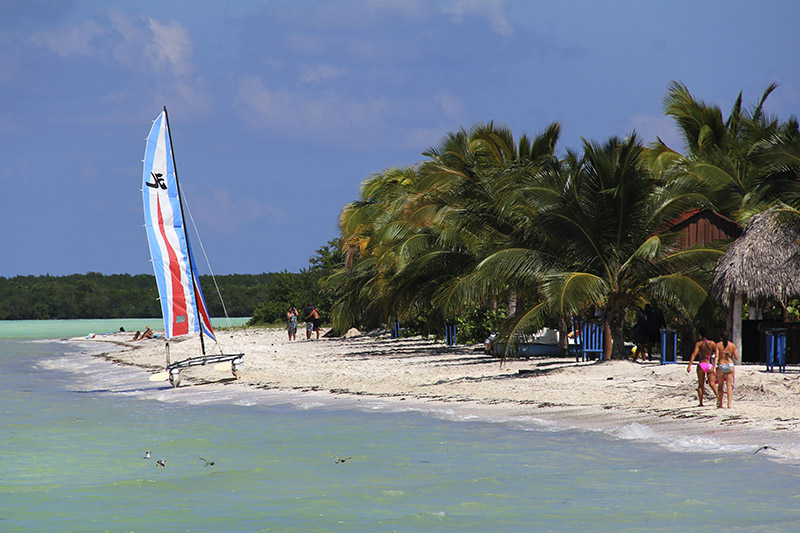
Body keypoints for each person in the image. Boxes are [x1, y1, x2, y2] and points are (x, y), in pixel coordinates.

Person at [686, 327, 717, 406]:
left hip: (701, 364)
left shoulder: (698, 344)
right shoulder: (712, 343)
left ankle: (701, 403)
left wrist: (689, 365)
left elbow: (694, 353)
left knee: (700, 385)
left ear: (700, 335)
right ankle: (719, 398)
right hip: (709, 365)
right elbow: (717, 354)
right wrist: (715, 364)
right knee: (712, 384)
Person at [715, 329, 739, 409]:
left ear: (720, 337)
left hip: (721, 365)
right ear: (728, 337)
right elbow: (736, 357)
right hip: (729, 364)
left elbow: (716, 356)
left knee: (720, 385)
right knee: (729, 385)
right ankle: (729, 404)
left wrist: (715, 365)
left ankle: (720, 403)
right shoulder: (732, 345)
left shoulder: (718, 345)